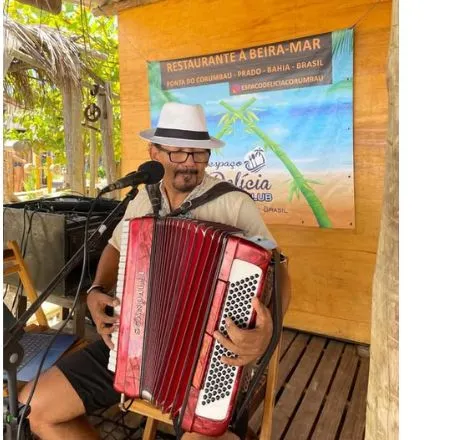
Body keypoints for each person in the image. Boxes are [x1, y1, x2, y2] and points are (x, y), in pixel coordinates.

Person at [19, 102, 291, 440]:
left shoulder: (233, 204)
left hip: (209, 359)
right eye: (178, 153)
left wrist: (268, 332)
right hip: (131, 343)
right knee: (37, 407)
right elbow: (116, 246)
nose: (190, 165)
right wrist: (95, 291)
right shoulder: (141, 200)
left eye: (199, 154)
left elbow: (278, 270)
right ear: (155, 152)